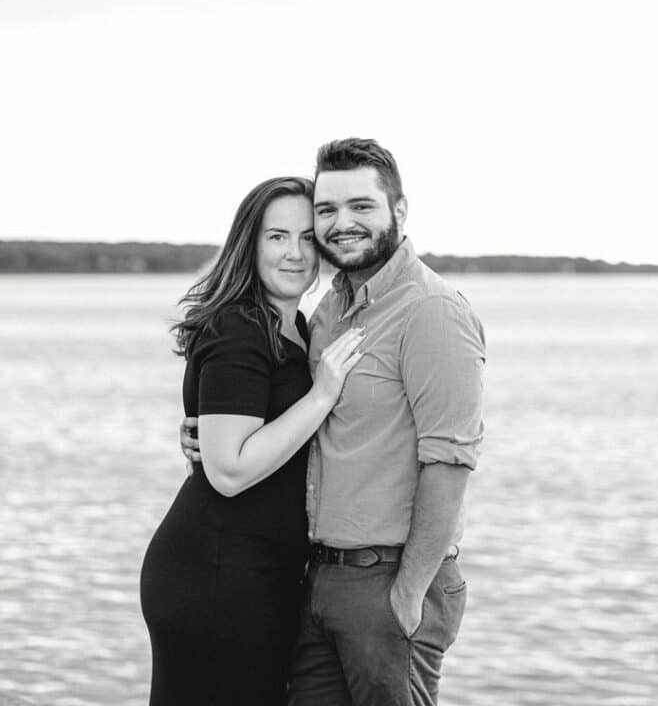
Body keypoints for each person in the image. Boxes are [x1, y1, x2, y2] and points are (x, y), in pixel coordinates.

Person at [181, 139, 485, 706]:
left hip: (389, 579)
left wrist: (408, 594)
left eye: (361, 207)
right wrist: (209, 434)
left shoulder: (431, 311)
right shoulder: (327, 310)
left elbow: (449, 463)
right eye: (327, 211)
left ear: (398, 211)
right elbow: (295, 415)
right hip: (317, 580)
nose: (341, 223)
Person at [140, 176, 364, 706]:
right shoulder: (240, 325)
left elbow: (249, 440)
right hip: (216, 577)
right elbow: (229, 471)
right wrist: (322, 395)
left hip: (259, 575)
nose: (294, 253)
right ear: (249, 243)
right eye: (277, 237)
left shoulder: (299, 327)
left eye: (308, 238)